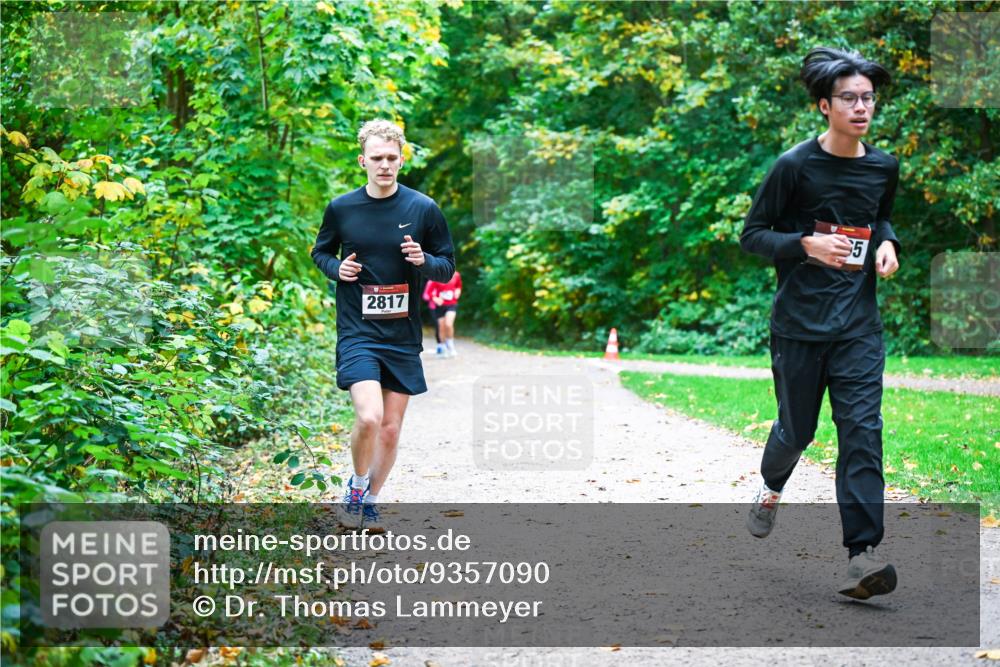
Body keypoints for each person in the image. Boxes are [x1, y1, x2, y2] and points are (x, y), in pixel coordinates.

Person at [739, 47, 901, 599]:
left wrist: (887, 243)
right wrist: (804, 243)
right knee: (797, 431)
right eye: (849, 99)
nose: (862, 108)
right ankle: (769, 485)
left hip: (857, 324)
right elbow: (752, 236)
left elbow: (881, 216)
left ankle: (863, 556)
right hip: (799, 326)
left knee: (862, 433)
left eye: (868, 99)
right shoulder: (794, 167)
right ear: (823, 106)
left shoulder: (883, 166)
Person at [311, 119, 455, 528]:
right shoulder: (342, 208)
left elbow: (446, 268)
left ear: (401, 159)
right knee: (370, 416)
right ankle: (356, 487)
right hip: (358, 330)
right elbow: (320, 253)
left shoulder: (423, 209)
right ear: (363, 161)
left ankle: (371, 500)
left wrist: (422, 261)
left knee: (390, 429)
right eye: (377, 158)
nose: (385, 165)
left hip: (402, 334)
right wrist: (338, 270)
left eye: (392, 158)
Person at [425, 270, 462, 357]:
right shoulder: (436, 276)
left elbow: (458, 286)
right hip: (440, 306)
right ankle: (443, 349)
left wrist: (458, 291)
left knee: (448, 324)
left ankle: (451, 347)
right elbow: (429, 292)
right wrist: (435, 298)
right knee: (441, 327)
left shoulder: (456, 275)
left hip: (451, 304)